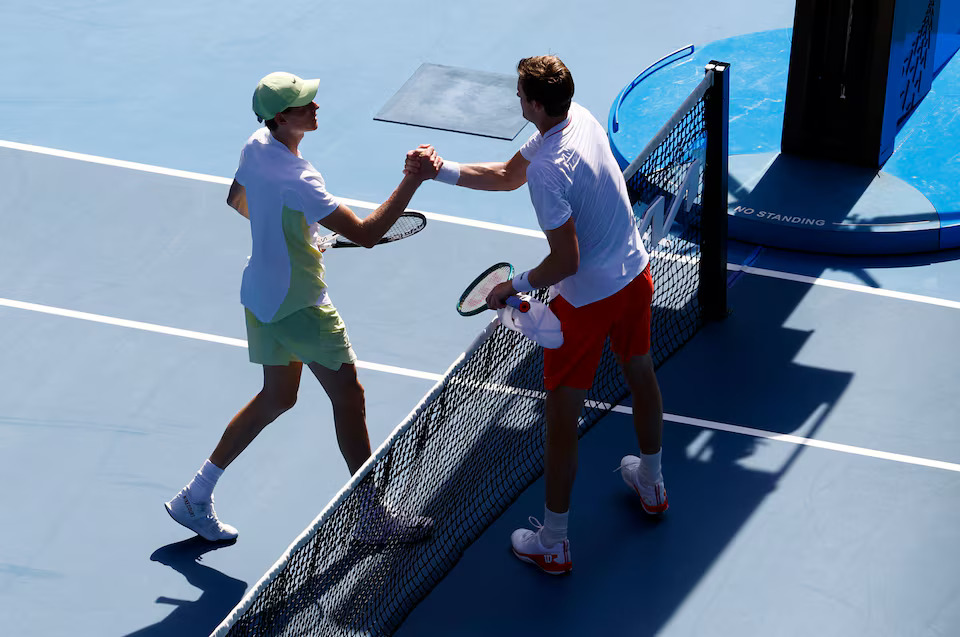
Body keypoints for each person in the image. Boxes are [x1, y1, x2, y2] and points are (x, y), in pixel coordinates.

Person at [407, 56, 667, 575]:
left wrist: (513, 286)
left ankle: (553, 541)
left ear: (534, 104)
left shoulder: (548, 172)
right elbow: (505, 175)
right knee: (640, 368)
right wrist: (442, 171)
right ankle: (653, 483)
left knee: (560, 424)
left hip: (587, 300)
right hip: (634, 275)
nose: (516, 98)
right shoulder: (583, 119)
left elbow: (566, 261)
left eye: (520, 93)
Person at [165, 71, 439, 542]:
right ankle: (371, 518)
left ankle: (196, 494)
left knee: (278, 397)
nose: (315, 107)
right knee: (349, 398)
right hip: (300, 304)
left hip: (260, 295)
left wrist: (294, 235)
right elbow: (368, 234)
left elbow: (238, 200)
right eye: (303, 104)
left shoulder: (254, 146)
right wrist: (412, 179)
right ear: (280, 117)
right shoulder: (300, 178)